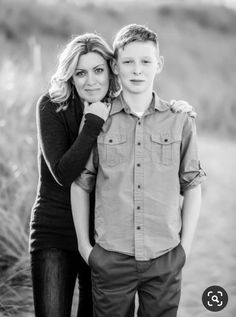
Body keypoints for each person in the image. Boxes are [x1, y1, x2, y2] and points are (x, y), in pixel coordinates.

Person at [29, 32, 194, 317]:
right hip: (55, 232)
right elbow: (64, 174)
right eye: (80, 73)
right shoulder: (53, 106)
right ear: (70, 75)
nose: (90, 80)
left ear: (110, 70)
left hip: (105, 240)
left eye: (98, 70)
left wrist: (177, 109)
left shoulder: (119, 111)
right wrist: (93, 121)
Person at [71, 24, 206, 317]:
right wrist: (86, 247)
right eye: (128, 62)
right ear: (115, 67)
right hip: (111, 259)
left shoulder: (180, 120)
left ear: (158, 64)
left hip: (165, 257)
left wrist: (184, 249)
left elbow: (192, 184)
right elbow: (81, 183)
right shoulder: (98, 119)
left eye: (145, 61)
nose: (137, 70)